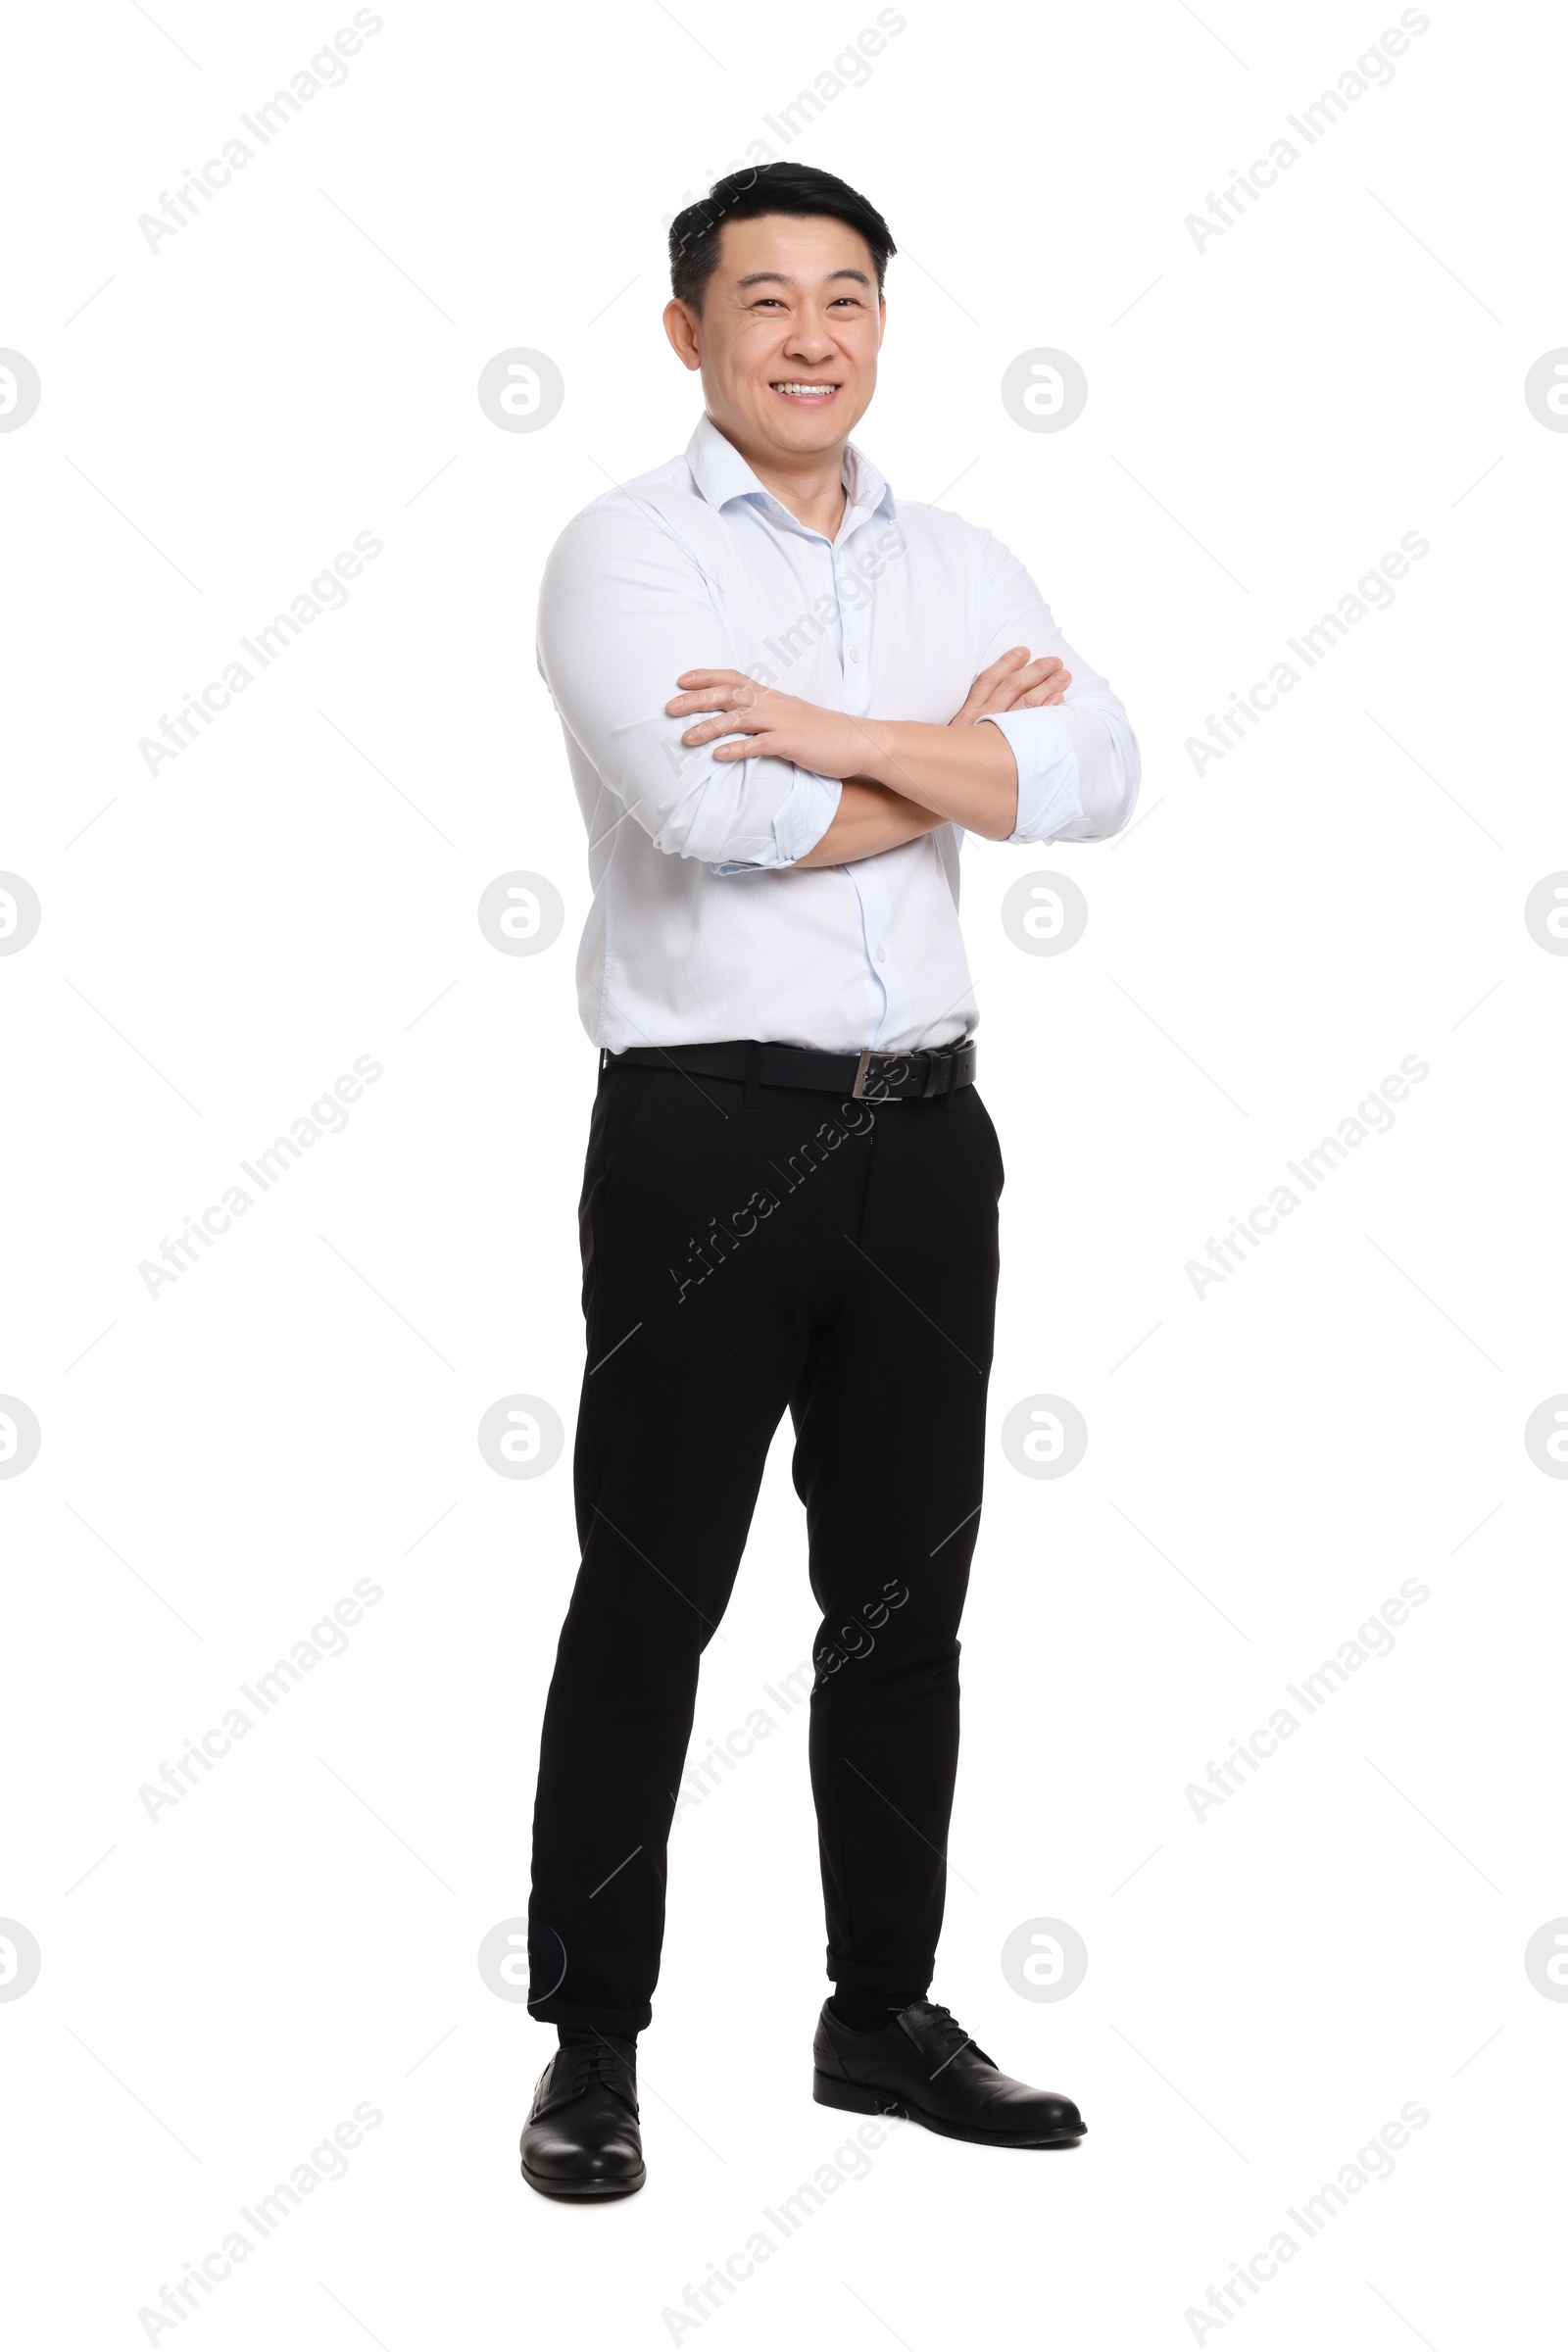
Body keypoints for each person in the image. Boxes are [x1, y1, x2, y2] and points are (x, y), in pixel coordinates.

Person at [519, 161, 1139, 2200]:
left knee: (899, 1606)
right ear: (687, 329)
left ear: (883, 324)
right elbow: (712, 812)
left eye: (846, 297)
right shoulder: (623, 557)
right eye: (763, 298)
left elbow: (1097, 777)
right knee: (651, 1599)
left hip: (922, 1141)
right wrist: (949, 755)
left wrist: (836, 731)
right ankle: (592, 2046)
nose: (809, 335)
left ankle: (877, 2015)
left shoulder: (957, 555)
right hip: (707, 1129)